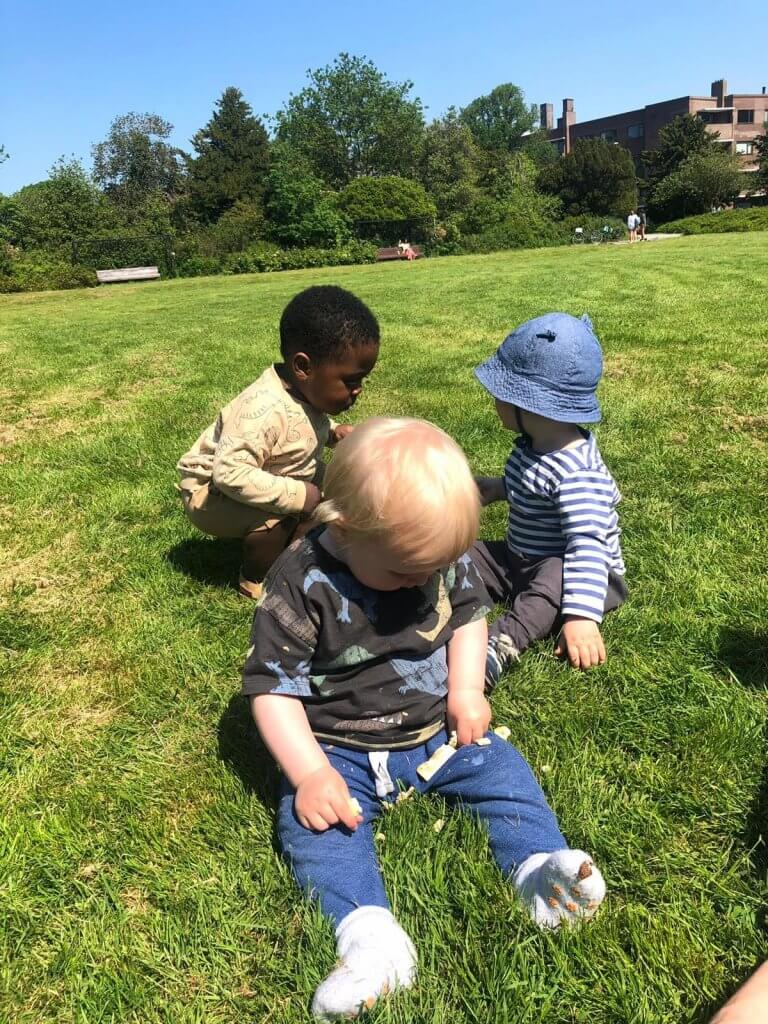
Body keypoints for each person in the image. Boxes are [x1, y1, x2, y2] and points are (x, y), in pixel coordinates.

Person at [243, 417, 607, 1021]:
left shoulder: (438, 559)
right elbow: (272, 689)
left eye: (434, 568)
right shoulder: (301, 582)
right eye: (405, 573)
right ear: (343, 527)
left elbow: (467, 618)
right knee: (316, 827)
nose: (421, 582)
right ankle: (368, 937)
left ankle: (540, 870)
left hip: (436, 727)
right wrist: (308, 771)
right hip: (338, 745)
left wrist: (465, 690)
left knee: (503, 773)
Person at [176, 286, 379, 599]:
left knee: (335, 491)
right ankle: (255, 578)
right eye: (351, 381)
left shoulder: (303, 391)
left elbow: (302, 424)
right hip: (212, 494)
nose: (358, 390)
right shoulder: (262, 410)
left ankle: (295, 558)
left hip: (267, 471)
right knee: (283, 514)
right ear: (303, 367)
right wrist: (297, 495)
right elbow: (229, 473)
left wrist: (333, 432)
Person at [472, 313, 627, 689]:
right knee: (465, 552)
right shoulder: (536, 446)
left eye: (501, 396)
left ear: (533, 407)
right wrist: (495, 488)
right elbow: (530, 487)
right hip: (519, 557)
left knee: (551, 582)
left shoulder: (577, 471)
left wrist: (581, 617)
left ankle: (501, 644)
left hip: (577, 573)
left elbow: (587, 545)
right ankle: (440, 599)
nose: (495, 403)